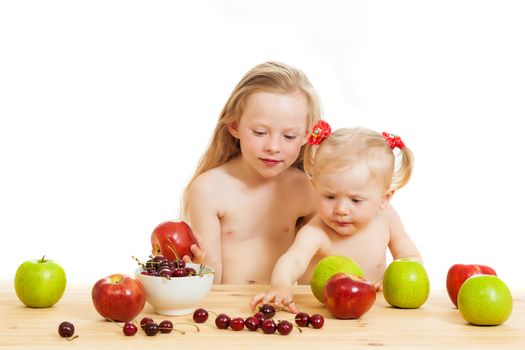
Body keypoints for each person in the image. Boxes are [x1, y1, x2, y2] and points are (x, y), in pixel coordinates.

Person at [250, 121, 422, 313]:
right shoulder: (316, 232)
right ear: (315, 187)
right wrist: (281, 285)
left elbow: (410, 257)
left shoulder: (386, 219)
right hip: (323, 313)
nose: (341, 209)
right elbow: (294, 260)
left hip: (374, 314)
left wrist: (394, 278)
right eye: (329, 197)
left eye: (356, 200)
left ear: (384, 198)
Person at [180, 61, 321, 284]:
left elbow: (314, 270)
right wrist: (197, 266)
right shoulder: (209, 189)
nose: (273, 146)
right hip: (226, 310)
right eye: (260, 132)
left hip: (281, 310)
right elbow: (210, 282)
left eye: (289, 136)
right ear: (234, 125)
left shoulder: (307, 189)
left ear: (307, 135)